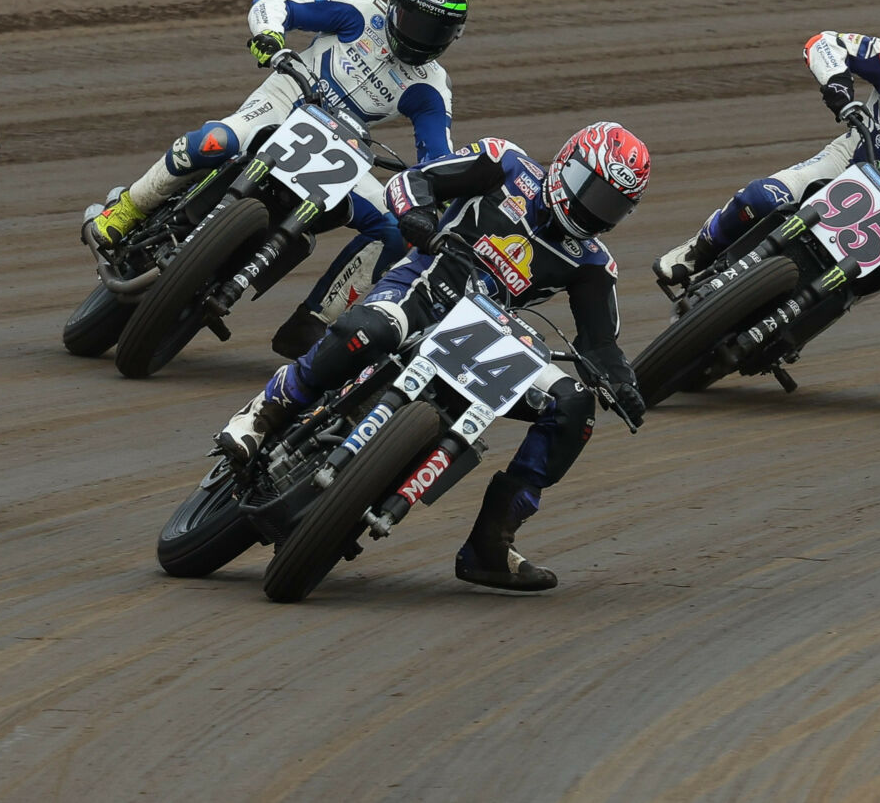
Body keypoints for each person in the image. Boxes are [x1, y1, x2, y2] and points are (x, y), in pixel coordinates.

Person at [216, 125, 653, 592]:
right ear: (567, 165)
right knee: (369, 331)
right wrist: (419, 217)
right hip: (423, 287)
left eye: (612, 205)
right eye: (593, 192)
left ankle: (490, 543)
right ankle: (263, 414)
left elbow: (600, 344)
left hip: (490, 336)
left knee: (573, 407)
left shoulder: (593, 262)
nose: (595, 210)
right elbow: (412, 180)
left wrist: (621, 381)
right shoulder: (505, 163)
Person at [86, 0, 470, 355]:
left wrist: (427, 202)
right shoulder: (358, 7)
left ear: (452, 35)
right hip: (284, 101)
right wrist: (269, 36)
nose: (421, 36)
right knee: (215, 141)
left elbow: (436, 161)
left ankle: (316, 321)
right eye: (415, 20)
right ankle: (128, 208)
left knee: (395, 230)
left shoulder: (431, 86)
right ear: (394, 6)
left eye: (435, 29)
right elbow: (277, 4)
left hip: (342, 153)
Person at [653, 15, 880, 406]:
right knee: (762, 197)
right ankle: (697, 251)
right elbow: (824, 42)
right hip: (841, 166)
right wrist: (839, 89)